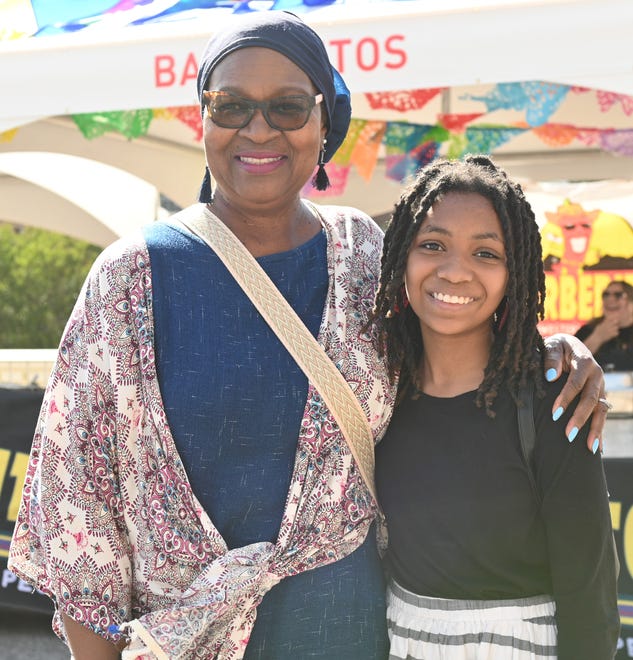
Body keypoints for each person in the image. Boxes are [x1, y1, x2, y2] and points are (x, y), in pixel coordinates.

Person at [9, 12, 608, 660]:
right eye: (230, 105)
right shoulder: (130, 278)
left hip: (345, 637)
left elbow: (454, 332)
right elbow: (77, 515)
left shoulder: (363, 257)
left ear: (325, 126)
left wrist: (560, 349)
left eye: (288, 106)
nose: (258, 128)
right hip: (183, 642)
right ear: (203, 120)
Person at [372, 156, 620, 660]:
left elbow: (589, 589)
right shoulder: (378, 391)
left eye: (486, 253)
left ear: (516, 273)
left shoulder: (555, 396)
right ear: (402, 258)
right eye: (433, 245)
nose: (455, 271)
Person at [575, 280, 633, 371]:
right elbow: (569, 363)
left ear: (630, 302)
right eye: (606, 295)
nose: (610, 299)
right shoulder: (588, 330)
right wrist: (597, 338)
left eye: (618, 295)